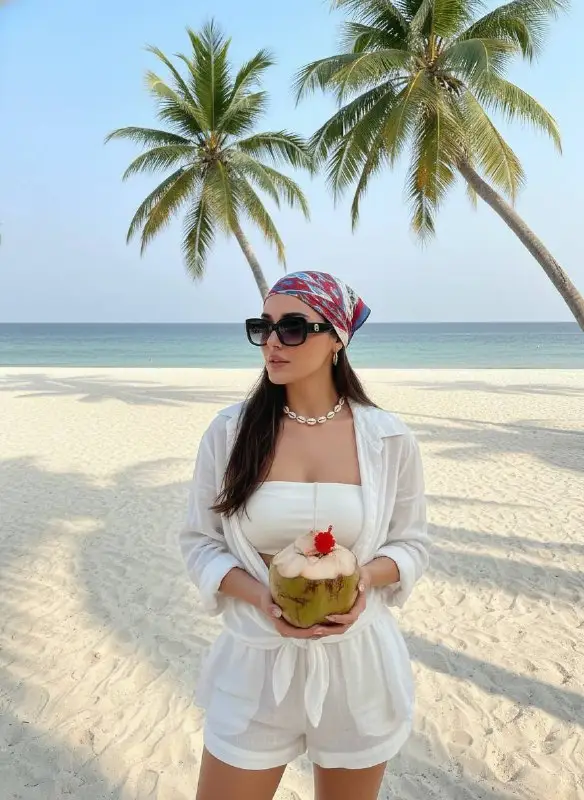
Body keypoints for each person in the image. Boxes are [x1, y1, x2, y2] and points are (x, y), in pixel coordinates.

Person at [179, 271, 429, 800]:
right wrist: (260, 597)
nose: (272, 341)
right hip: (255, 659)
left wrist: (364, 579)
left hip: (357, 665)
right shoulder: (230, 432)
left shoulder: (388, 438)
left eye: (292, 328)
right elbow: (200, 542)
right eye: (262, 327)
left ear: (337, 338)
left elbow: (410, 544)